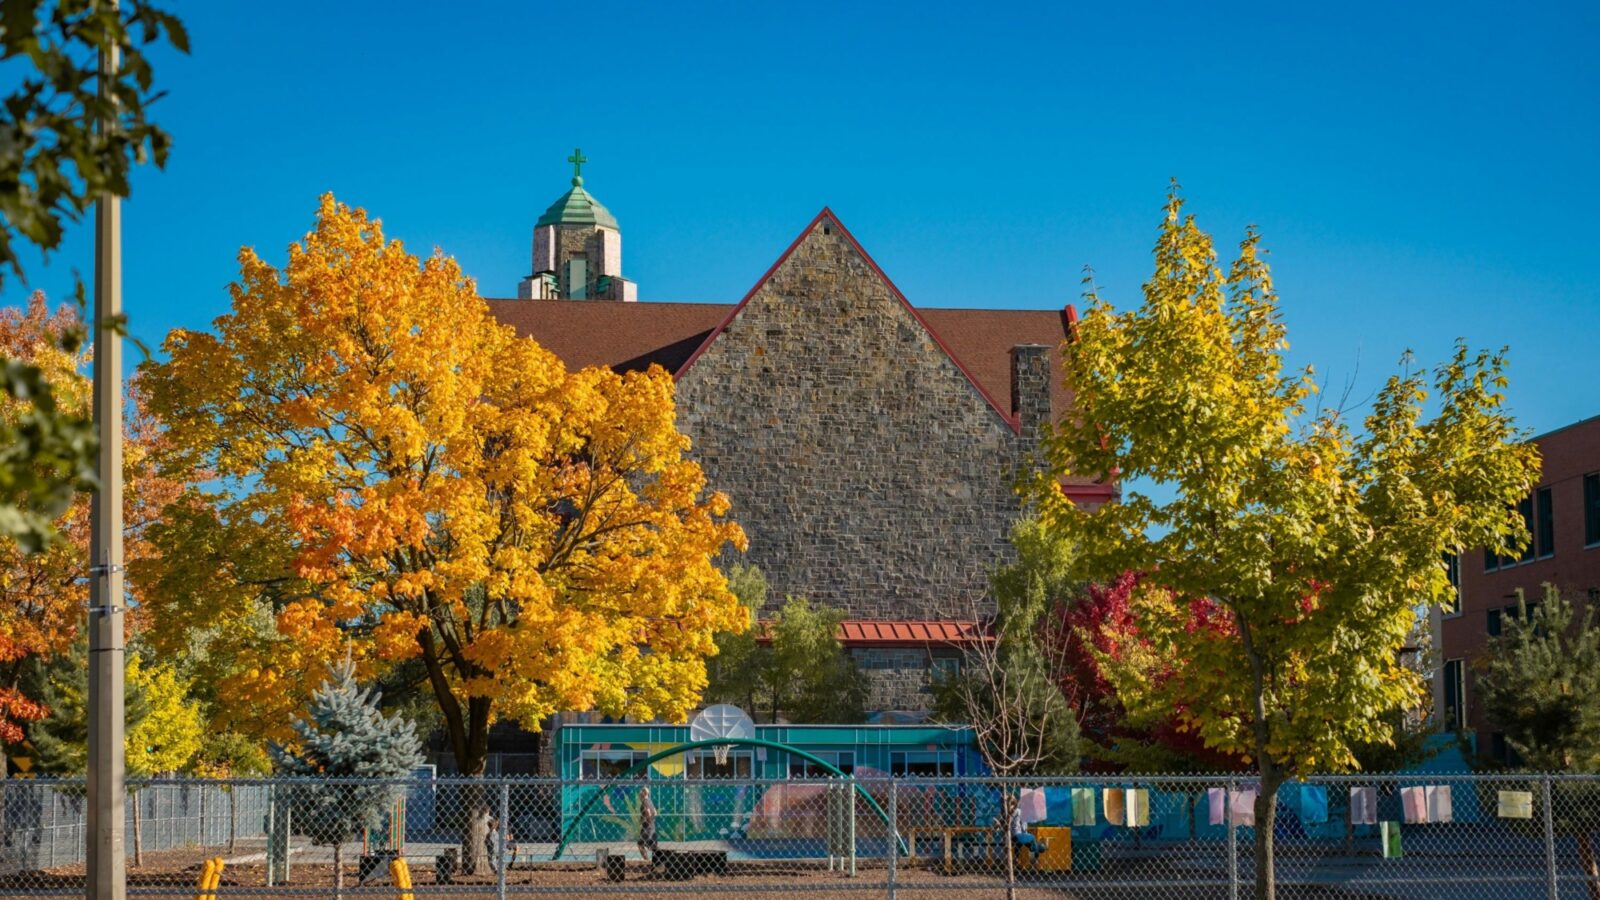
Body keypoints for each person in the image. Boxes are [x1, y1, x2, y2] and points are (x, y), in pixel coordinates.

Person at [637, 786, 659, 866]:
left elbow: (648, 813)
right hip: (652, 826)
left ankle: (646, 861)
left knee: (640, 844)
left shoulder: (645, 802)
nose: (639, 793)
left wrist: (643, 820)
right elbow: (655, 813)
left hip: (647, 827)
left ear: (644, 793)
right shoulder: (650, 801)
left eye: (641, 792)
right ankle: (656, 861)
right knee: (652, 846)